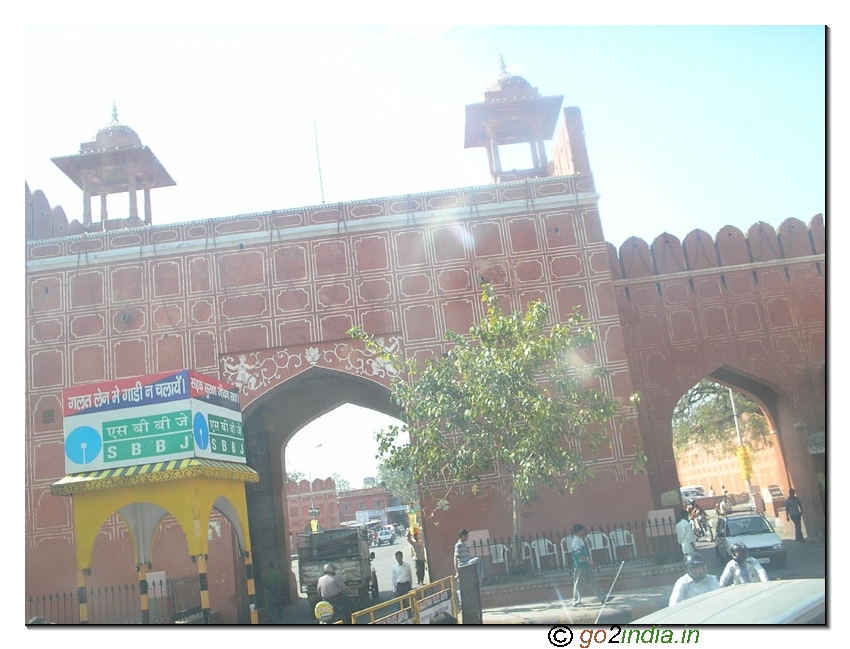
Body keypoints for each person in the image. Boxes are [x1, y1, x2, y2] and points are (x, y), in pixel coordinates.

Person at [570, 523, 609, 606]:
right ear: (578, 531)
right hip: (580, 566)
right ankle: (576, 601)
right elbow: (578, 554)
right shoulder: (576, 541)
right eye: (582, 530)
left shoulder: (580, 539)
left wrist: (588, 562)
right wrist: (589, 561)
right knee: (579, 583)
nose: (584, 532)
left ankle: (602, 597)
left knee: (592, 581)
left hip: (585, 565)